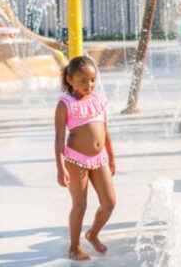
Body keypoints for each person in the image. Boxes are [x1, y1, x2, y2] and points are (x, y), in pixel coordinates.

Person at [54, 56, 116, 260]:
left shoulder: (98, 99)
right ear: (70, 80)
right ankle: (74, 246)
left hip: (100, 159)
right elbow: (59, 138)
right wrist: (60, 167)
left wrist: (112, 157)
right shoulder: (66, 104)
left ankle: (93, 234)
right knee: (80, 206)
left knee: (109, 203)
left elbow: (105, 131)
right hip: (75, 159)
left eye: (92, 80)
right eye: (82, 80)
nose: (88, 85)